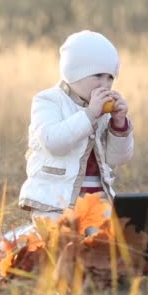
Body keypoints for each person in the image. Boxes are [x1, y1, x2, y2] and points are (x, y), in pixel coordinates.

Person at [17, 30, 134, 227]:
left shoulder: (103, 110)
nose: (105, 84)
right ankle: (22, 236)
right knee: (59, 243)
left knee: (111, 243)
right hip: (56, 201)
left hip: (97, 198)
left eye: (110, 78)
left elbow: (117, 158)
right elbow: (54, 142)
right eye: (97, 75)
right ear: (74, 72)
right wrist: (89, 115)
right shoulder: (48, 100)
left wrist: (119, 123)